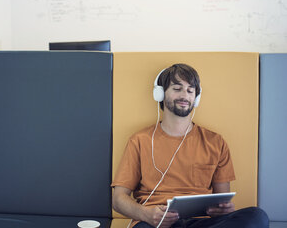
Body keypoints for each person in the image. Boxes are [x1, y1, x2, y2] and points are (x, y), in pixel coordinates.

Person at [111, 64, 269, 228]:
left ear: (196, 98)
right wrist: (147, 214)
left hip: (203, 223)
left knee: (257, 216)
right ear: (160, 93)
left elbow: (222, 200)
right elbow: (118, 199)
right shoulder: (140, 140)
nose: (184, 95)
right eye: (177, 88)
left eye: (190, 90)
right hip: (156, 223)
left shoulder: (215, 142)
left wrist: (223, 210)